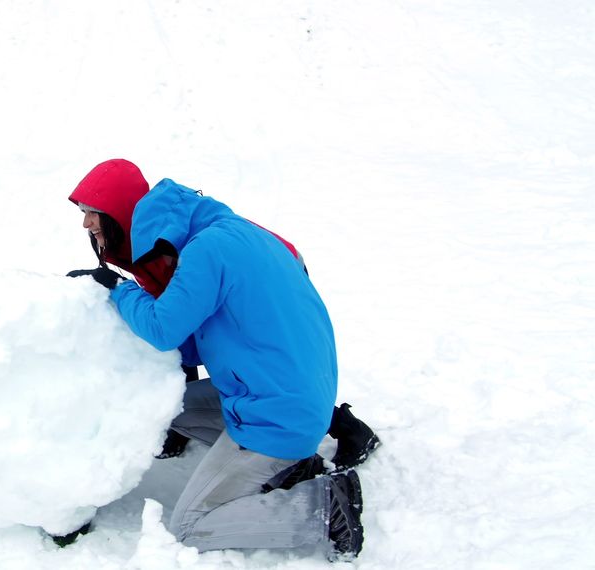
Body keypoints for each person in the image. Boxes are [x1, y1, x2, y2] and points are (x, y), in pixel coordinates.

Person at [66, 158, 379, 558]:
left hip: (273, 412)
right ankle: (290, 466)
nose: (86, 224)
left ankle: (321, 510)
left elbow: (164, 329)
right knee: (167, 407)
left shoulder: (207, 251)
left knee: (191, 527)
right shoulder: (229, 234)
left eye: (93, 212)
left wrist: (117, 288)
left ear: (121, 213)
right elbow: (195, 340)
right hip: (281, 392)